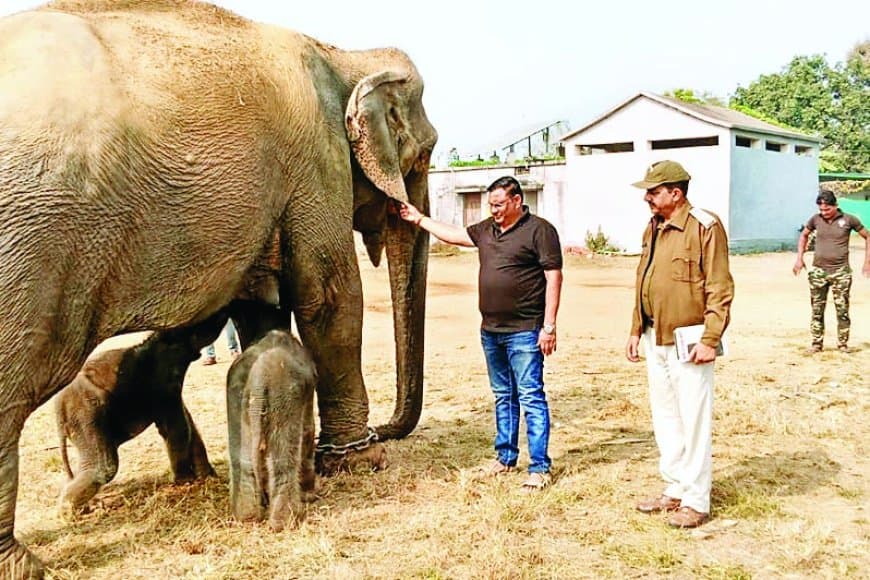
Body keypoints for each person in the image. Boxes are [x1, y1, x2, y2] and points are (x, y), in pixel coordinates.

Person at [399, 176, 563, 491]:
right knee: (503, 396)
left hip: (525, 331)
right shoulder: (487, 229)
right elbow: (456, 236)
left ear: (517, 200)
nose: (494, 210)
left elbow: (553, 277)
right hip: (491, 331)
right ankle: (505, 458)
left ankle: (539, 467)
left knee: (530, 396)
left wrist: (549, 326)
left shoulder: (540, 230)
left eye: (499, 204)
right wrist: (419, 219)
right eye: (491, 205)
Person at [624, 160, 734, 529]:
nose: (647, 198)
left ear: (676, 192)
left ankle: (697, 499)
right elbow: (645, 279)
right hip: (657, 335)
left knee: (694, 418)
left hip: (690, 339)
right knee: (666, 416)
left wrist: (710, 338)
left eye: (653, 192)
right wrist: (636, 329)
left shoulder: (705, 226)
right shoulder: (653, 228)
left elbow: (719, 287)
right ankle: (674, 488)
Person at [792, 189, 870, 353]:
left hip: (840, 272)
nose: (824, 213)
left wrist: (867, 262)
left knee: (842, 310)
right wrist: (799, 258)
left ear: (835, 206)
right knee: (817, 309)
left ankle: (842, 344)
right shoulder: (815, 220)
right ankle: (816, 343)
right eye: (821, 209)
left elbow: (867, 236)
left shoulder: (849, 220)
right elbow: (804, 236)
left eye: (827, 209)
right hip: (818, 272)